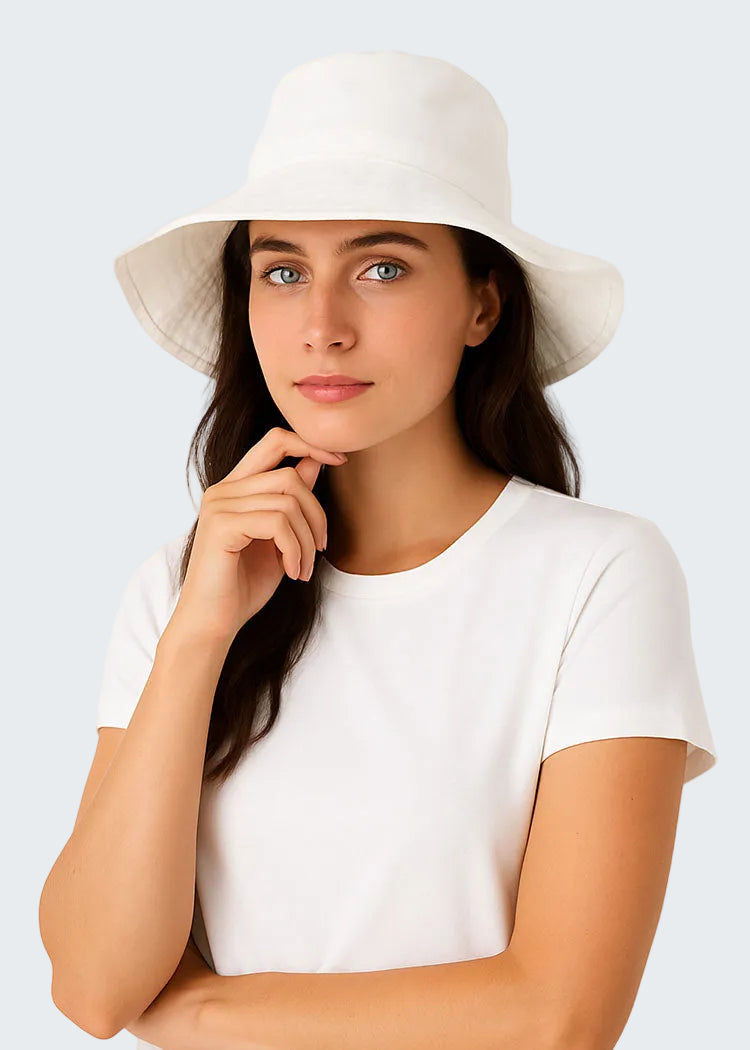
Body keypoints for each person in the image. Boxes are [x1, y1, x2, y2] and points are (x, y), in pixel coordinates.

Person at [39, 50, 718, 1050]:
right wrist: (198, 635)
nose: (322, 327)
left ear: (482, 304)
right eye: (282, 271)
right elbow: (95, 988)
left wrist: (198, 1009)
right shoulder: (184, 592)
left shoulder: (598, 576)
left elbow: (559, 1017)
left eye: (382, 267)